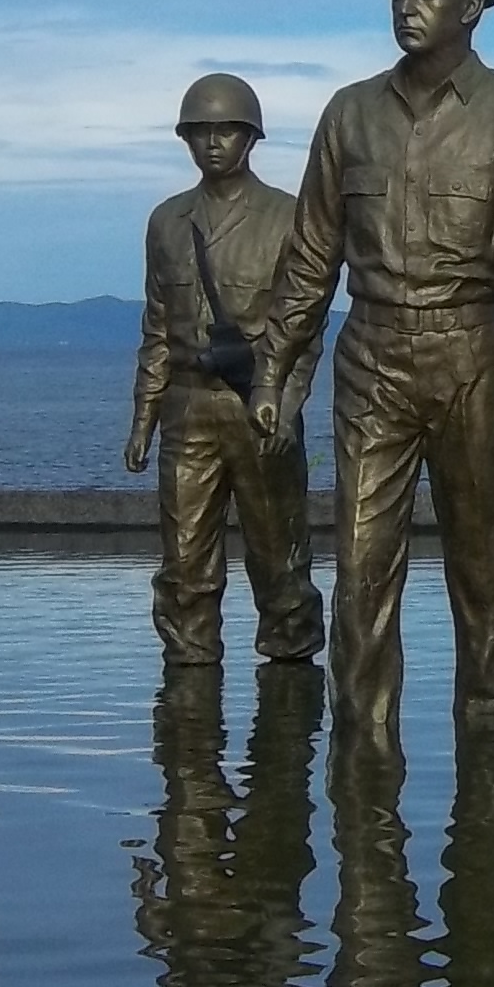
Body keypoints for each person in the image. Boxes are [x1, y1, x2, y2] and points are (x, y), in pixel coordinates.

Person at [254, 0, 494, 728]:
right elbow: (310, 260)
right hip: (372, 358)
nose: (408, 8)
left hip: (473, 359)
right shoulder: (349, 114)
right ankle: (362, 764)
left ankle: (489, 755)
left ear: (471, 8)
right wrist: (274, 373)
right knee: (360, 570)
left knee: (483, 571)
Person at [126, 73, 323, 665]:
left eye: (227, 131)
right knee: (184, 569)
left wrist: (286, 406)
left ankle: (289, 720)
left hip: (256, 404)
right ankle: (188, 725)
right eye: (202, 132)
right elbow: (157, 327)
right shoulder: (167, 221)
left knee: (280, 564)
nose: (214, 143)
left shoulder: (289, 217)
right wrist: (142, 420)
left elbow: (306, 327)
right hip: (187, 411)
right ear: (186, 138)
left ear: (251, 138)